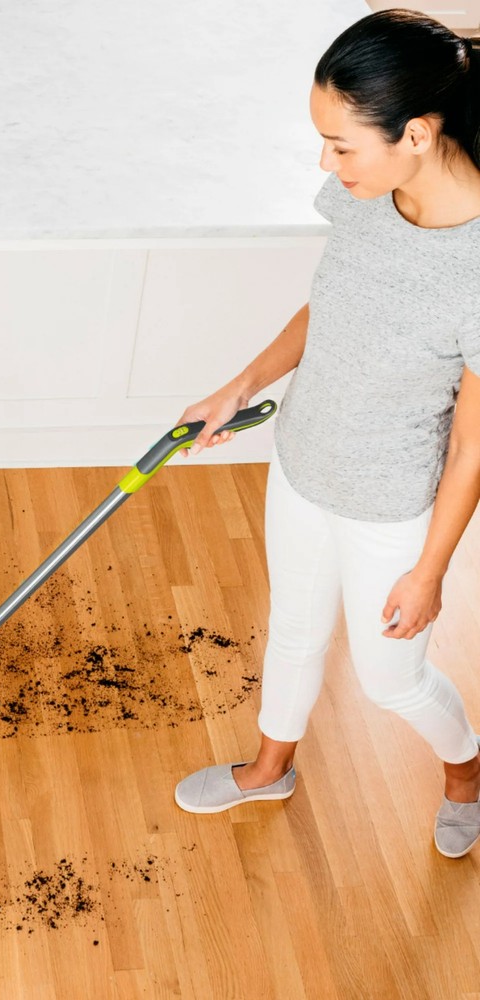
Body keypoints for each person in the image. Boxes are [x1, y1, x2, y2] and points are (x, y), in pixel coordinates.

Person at [173, 9, 480, 859]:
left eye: (342, 144)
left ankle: (466, 773)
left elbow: (473, 444)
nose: (324, 162)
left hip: (389, 509)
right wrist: (239, 387)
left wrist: (430, 572)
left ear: (415, 134)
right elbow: (332, 304)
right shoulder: (367, 196)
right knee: (294, 629)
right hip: (302, 462)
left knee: (392, 684)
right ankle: (270, 765)